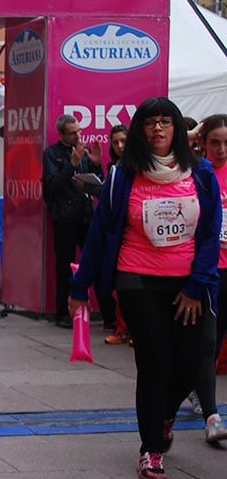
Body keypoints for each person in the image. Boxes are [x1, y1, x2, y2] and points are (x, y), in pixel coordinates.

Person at [70, 97, 221, 479]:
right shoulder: (123, 176)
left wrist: (196, 285)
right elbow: (100, 232)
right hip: (136, 278)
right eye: (150, 122)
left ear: (177, 129)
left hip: (188, 282)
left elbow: (209, 235)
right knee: (154, 362)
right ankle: (151, 449)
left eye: (165, 122)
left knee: (189, 365)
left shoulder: (201, 173)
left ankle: (165, 415)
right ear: (140, 129)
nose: (157, 129)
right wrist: (80, 286)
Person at [43, 115, 104, 328]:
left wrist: (96, 165)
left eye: (79, 131)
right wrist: (71, 165)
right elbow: (52, 185)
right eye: (72, 133)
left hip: (86, 215)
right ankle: (63, 313)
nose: (78, 136)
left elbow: (98, 184)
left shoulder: (83, 151)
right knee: (64, 266)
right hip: (65, 218)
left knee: (96, 262)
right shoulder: (51, 154)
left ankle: (105, 312)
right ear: (61, 134)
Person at [192, 114, 227, 445]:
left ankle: (199, 388)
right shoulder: (198, 172)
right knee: (207, 341)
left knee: (219, 338)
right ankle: (211, 412)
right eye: (215, 142)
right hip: (207, 269)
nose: (222, 149)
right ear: (202, 143)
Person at [103, 125, 134, 346]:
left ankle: (130, 330)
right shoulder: (114, 168)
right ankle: (122, 328)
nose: (120, 146)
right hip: (120, 236)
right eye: (115, 143)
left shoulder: (136, 166)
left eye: (123, 141)